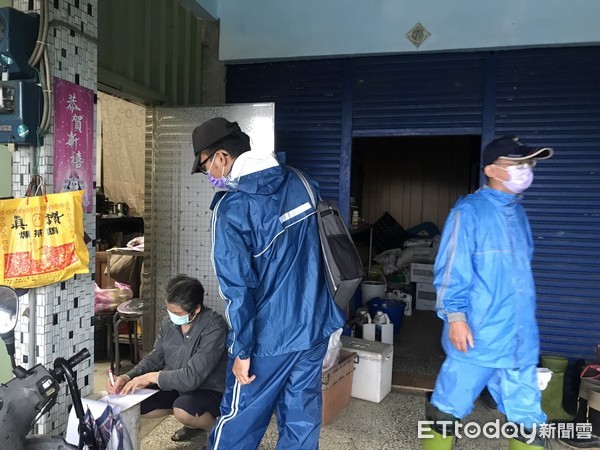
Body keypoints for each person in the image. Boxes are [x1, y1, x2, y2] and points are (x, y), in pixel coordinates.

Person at [190, 117, 345, 449]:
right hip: (314, 329)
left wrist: (242, 349)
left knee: (238, 425)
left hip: (266, 340)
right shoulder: (302, 181)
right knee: (301, 422)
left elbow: (237, 288)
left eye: (205, 167)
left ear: (220, 157)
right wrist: (332, 325)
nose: (209, 177)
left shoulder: (231, 208)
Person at [423, 136, 554, 450]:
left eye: (529, 164)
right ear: (492, 170)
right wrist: (455, 318)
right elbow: (451, 271)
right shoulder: (468, 213)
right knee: (446, 407)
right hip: (478, 336)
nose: (526, 170)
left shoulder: (519, 215)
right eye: (518, 164)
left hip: (521, 338)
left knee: (528, 417)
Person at [106, 274, 228, 442]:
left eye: (177, 312)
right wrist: (127, 377)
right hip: (178, 386)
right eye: (169, 310)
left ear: (196, 309)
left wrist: (150, 377)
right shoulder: (169, 323)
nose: (172, 316)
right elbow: (155, 358)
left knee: (183, 409)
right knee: (134, 401)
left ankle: (216, 430)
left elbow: (192, 378)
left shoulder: (214, 327)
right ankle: (194, 423)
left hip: (209, 390)